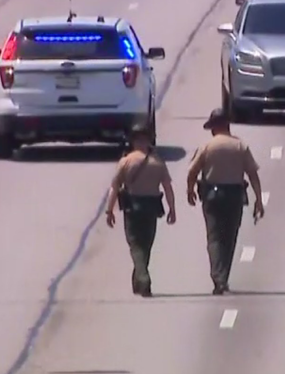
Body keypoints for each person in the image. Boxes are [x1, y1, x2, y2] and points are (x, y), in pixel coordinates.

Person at [186, 109, 266, 295]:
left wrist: (190, 191)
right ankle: (222, 278)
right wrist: (259, 200)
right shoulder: (240, 146)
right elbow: (253, 175)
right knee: (229, 238)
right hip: (234, 196)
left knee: (214, 238)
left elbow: (192, 172)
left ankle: (218, 277)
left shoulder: (207, 147)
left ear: (214, 127)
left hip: (212, 197)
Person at [105, 124, 177, 297]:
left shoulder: (126, 161)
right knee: (146, 244)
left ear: (133, 141)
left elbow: (114, 187)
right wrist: (172, 208)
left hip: (132, 207)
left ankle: (143, 278)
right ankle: (139, 280)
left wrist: (109, 210)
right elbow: (167, 187)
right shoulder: (157, 162)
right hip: (152, 207)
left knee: (135, 244)